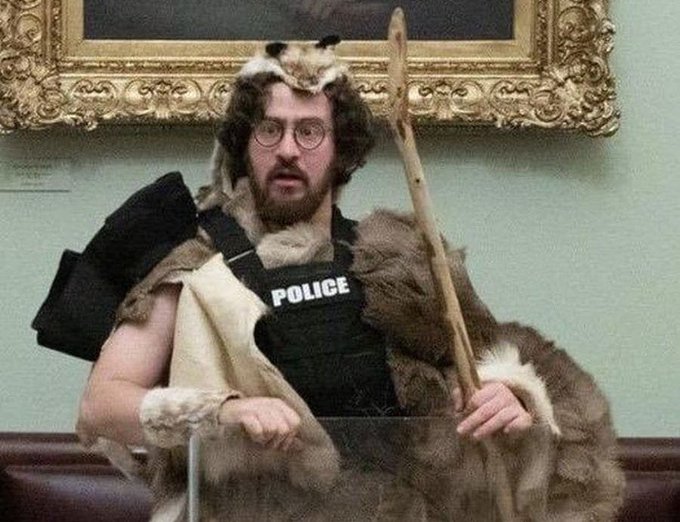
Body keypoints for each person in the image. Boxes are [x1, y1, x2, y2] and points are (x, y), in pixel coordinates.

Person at [76, 38, 624, 521]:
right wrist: (224, 412)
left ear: (341, 152)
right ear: (245, 144)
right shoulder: (198, 267)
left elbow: (486, 366)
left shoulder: (397, 262)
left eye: (310, 132)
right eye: (270, 129)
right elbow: (100, 406)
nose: (288, 149)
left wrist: (512, 399)